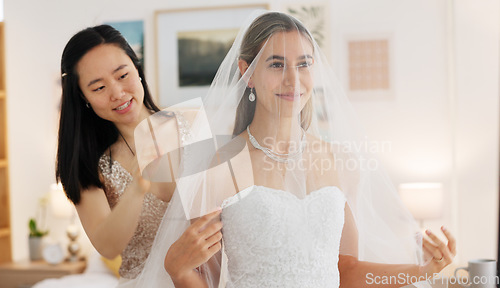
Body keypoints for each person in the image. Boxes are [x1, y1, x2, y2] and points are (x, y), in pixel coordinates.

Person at [133, 11, 456, 288]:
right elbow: (205, 279)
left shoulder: (340, 161)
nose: (293, 80)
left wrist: (421, 271)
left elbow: (346, 271)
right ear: (247, 73)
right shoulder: (221, 166)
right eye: (276, 65)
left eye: (303, 64)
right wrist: (178, 270)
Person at [55, 25, 223, 285]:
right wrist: (137, 187)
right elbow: (107, 246)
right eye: (99, 88)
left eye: (122, 75)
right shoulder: (88, 163)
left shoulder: (193, 121)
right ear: (83, 98)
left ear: (137, 69)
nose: (117, 93)